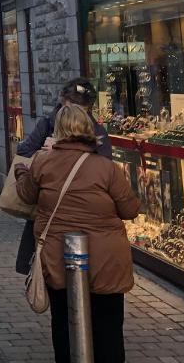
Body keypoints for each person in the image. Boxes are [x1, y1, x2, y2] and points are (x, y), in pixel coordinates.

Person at [15, 104, 139, 363]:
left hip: (58, 257)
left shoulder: (43, 162)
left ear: (58, 130)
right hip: (107, 261)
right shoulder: (106, 168)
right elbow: (130, 210)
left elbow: (26, 196)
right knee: (108, 326)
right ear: (88, 130)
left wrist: (21, 172)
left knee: (63, 321)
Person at [15, 77, 113, 274]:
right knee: (52, 272)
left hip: (85, 216)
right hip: (51, 215)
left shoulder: (98, 133)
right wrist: (45, 154)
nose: (73, 114)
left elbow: (107, 172)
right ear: (62, 103)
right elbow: (24, 153)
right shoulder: (48, 124)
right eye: (69, 107)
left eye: (80, 109)